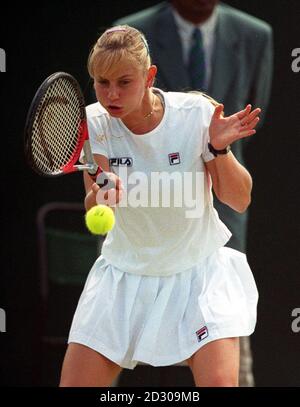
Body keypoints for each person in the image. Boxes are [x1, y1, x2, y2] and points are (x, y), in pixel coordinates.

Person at [59, 25, 260, 387]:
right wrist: (100, 196)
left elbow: (239, 200)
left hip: (198, 277)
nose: (111, 94)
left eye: (124, 82)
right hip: (123, 277)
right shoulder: (94, 122)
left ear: (149, 76)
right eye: (102, 83)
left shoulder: (196, 114)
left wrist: (218, 149)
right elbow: (96, 211)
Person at [114, 0, 273, 386]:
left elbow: (254, 115)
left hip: (222, 214)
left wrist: (213, 153)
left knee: (225, 338)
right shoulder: (129, 32)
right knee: (121, 343)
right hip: (147, 220)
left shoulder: (256, 35)